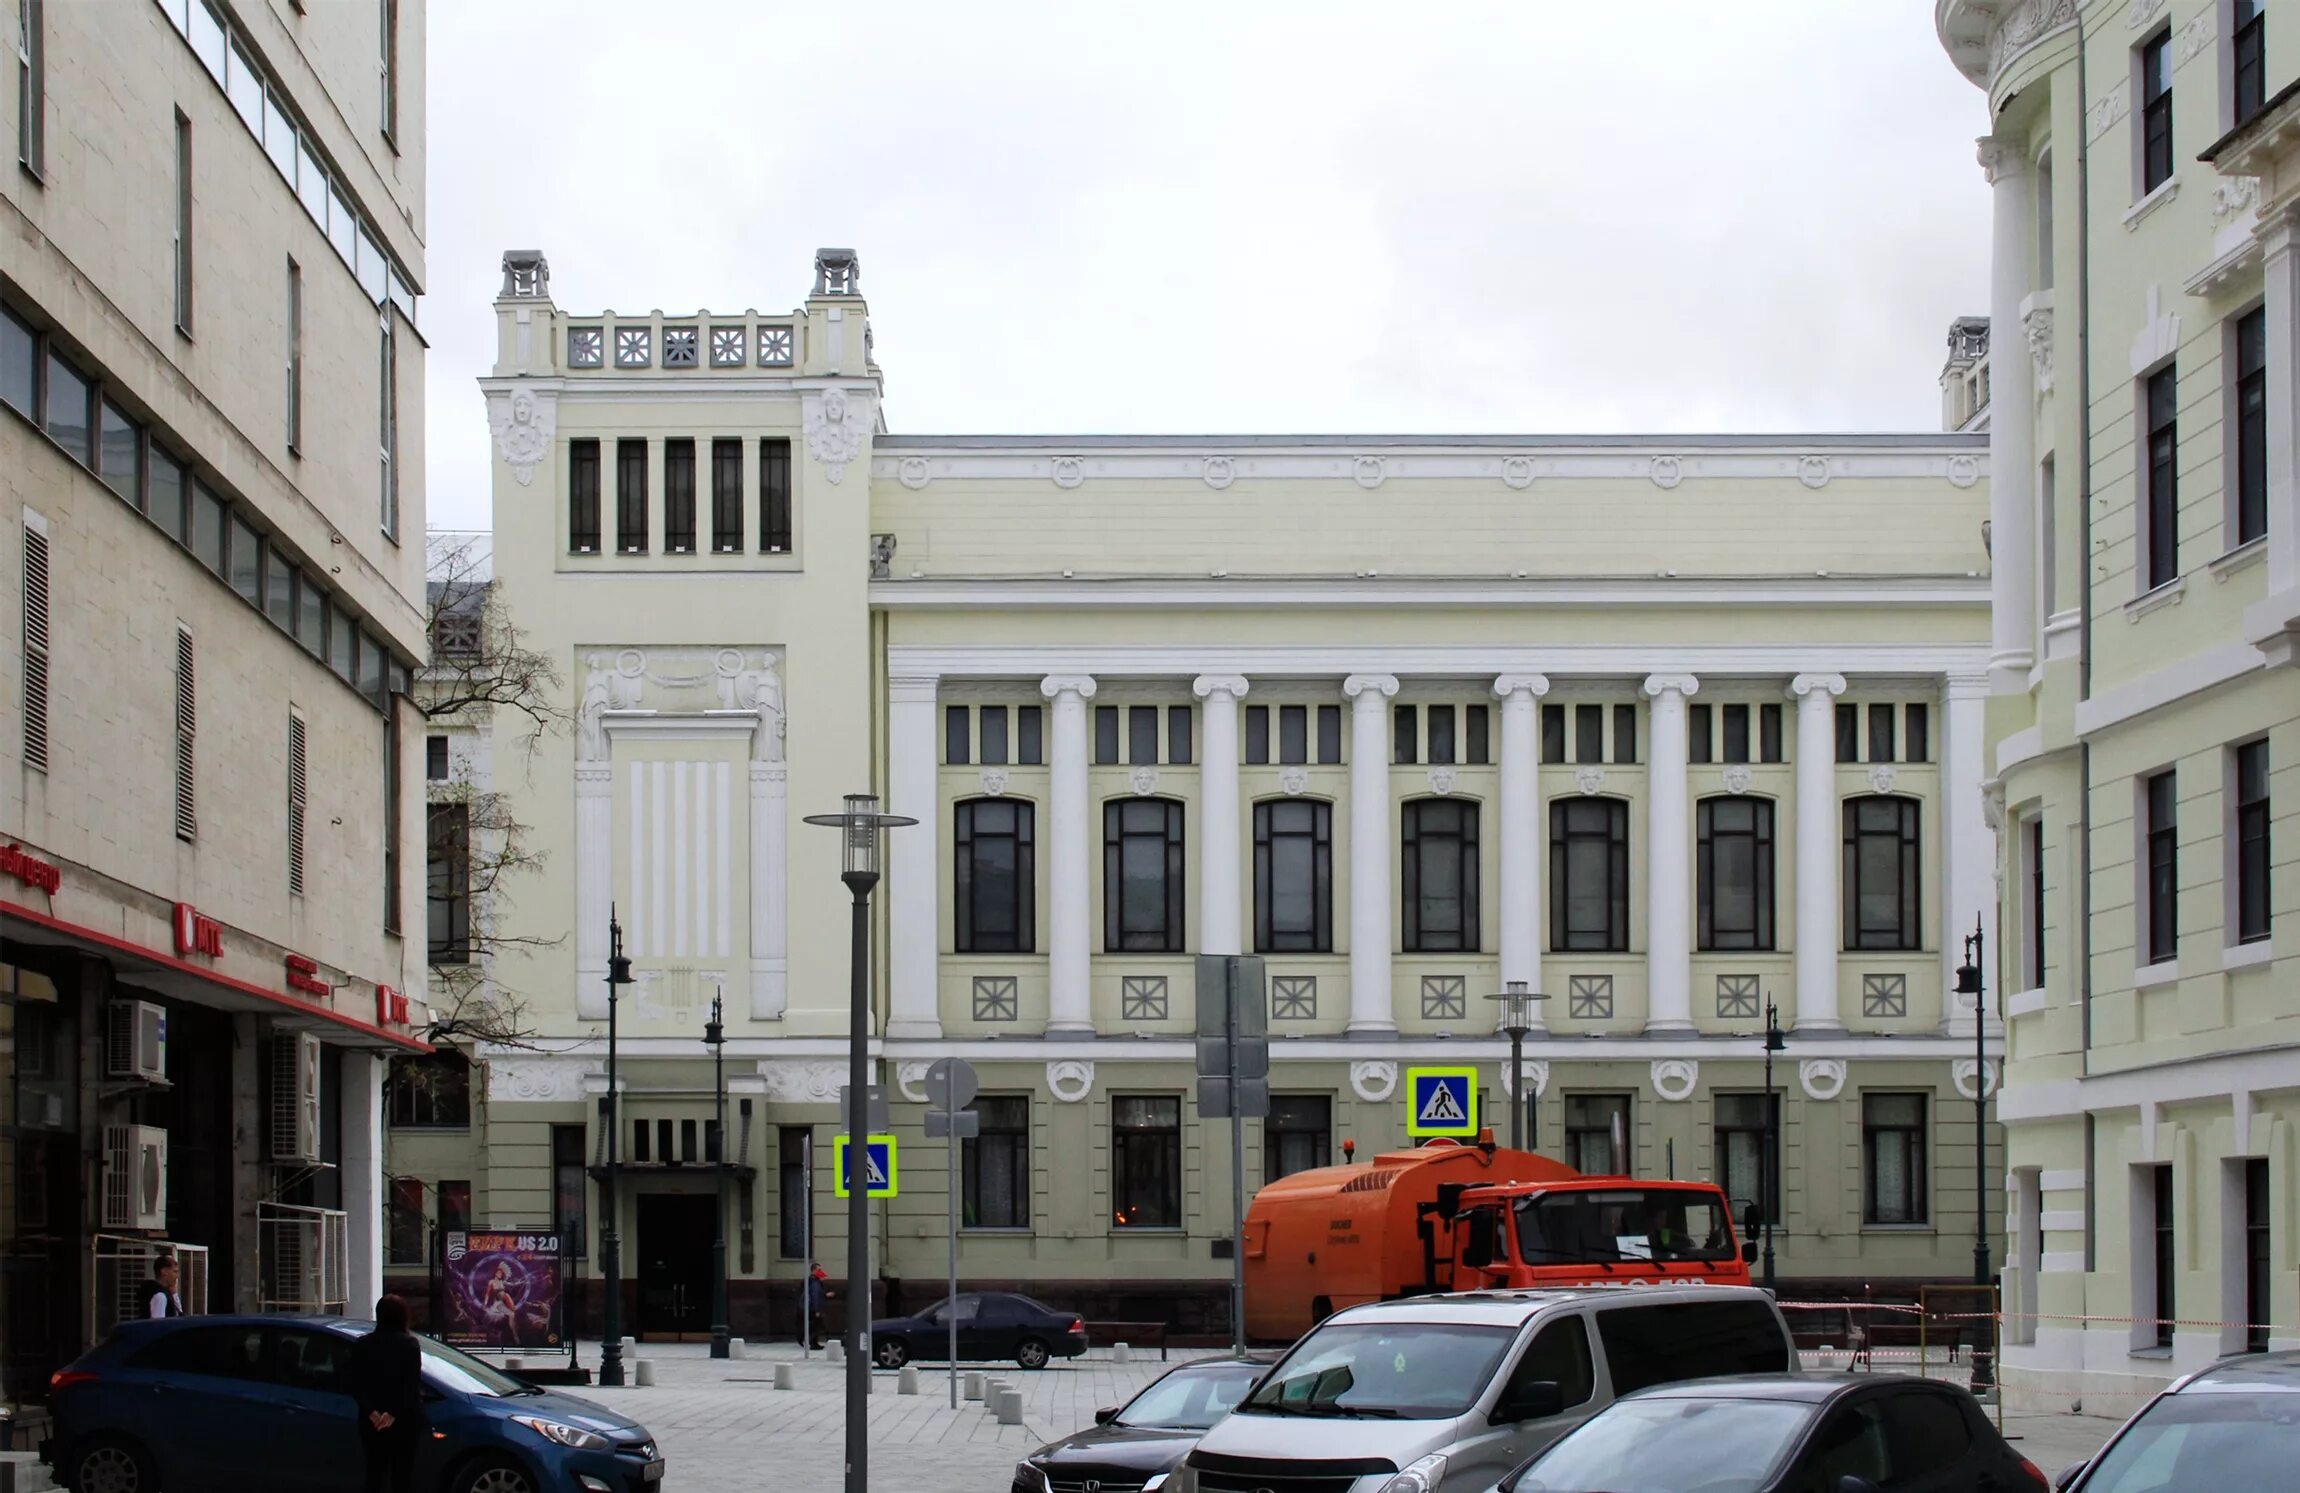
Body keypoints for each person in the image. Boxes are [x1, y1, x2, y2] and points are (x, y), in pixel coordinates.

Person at [348, 1295, 426, 1493]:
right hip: (404, 1420)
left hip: (370, 1421)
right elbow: (410, 1385)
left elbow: (356, 1383)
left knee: (374, 1474)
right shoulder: (409, 1344)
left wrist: (372, 1412)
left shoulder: (364, 1344)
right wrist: (392, 1413)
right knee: (402, 1477)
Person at [146, 1253, 186, 1318]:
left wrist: (174, 1295)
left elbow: (180, 1314)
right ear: (164, 1272)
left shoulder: (166, 1293)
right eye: (175, 1272)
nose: (177, 1276)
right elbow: (158, 1325)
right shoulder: (160, 1296)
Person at [806, 1263, 828, 1349]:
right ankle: (813, 1343)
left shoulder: (813, 1281)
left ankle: (814, 1343)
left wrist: (825, 1295)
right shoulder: (814, 1282)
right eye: (819, 1270)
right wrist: (817, 1310)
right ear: (814, 1270)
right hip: (813, 1308)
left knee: (815, 1326)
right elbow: (815, 1296)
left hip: (812, 1307)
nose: (821, 1272)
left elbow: (817, 1294)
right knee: (816, 1326)